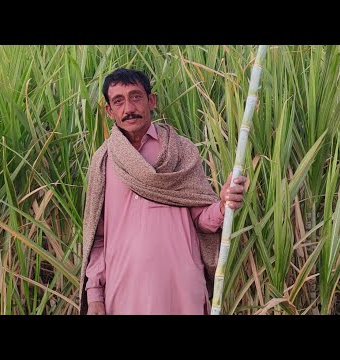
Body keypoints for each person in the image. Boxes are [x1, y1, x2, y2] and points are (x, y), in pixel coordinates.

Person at [79, 68, 247, 315]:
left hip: (181, 290)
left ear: (151, 100)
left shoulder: (180, 151)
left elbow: (202, 218)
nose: (129, 108)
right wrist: (94, 295)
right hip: (125, 293)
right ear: (109, 111)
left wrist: (223, 206)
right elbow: (97, 237)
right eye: (118, 101)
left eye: (136, 96)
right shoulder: (104, 161)